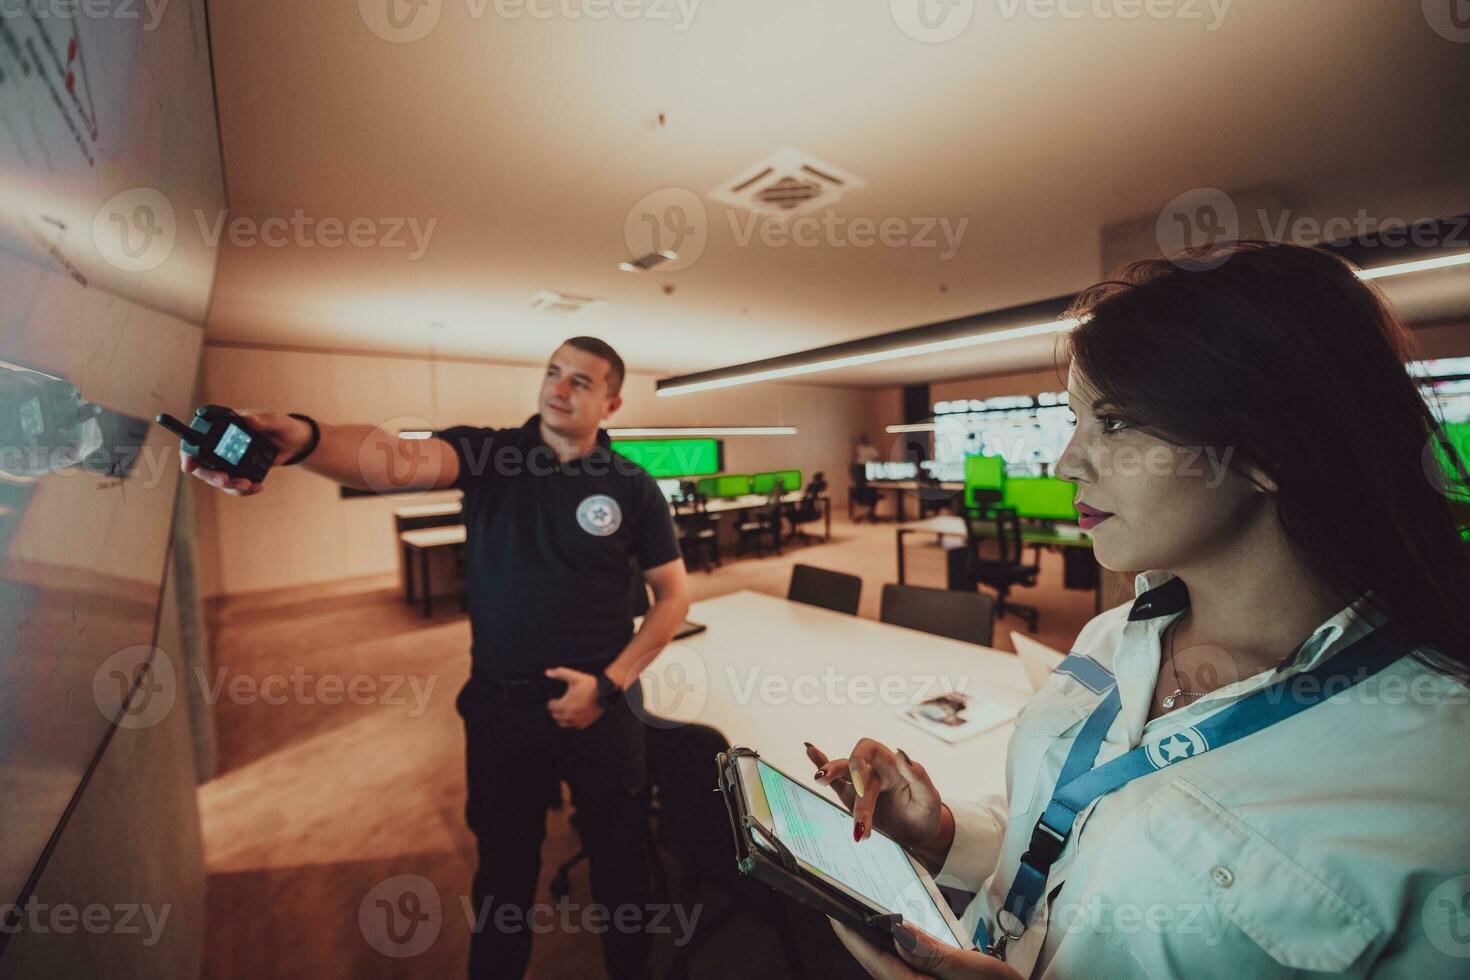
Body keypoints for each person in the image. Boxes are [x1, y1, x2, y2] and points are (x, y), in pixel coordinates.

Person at [806, 242, 1470, 978]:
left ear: (1262, 449)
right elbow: (1071, 851)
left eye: (1115, 423)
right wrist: (939, 832)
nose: (1066, 463)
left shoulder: (1440, 779)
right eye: (1075, 421)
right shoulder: (1112, 634)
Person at [183, 336, 691, 980]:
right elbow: (393, 456)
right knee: (503, 879)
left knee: (622, 872)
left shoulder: (633, 487)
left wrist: (610, 686)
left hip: (604, 708)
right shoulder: (491, 454)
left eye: (581, 382)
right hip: (502, 711)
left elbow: (674, 595)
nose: (558, 389)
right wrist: (306, 439)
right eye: (553, 373)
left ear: (611, 403)